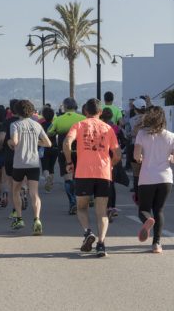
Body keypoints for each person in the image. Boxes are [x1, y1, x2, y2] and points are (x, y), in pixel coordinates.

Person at [63, 98, 121, 257]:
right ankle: (101, 245)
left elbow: (67, 143)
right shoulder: (108, 128)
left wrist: (69, 162)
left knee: (81, 207)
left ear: (85, 112)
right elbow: (117, 153)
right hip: (103, 173)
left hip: (83, 172)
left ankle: (88, 232)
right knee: (102, 212)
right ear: (100, 112)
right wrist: (111, 165)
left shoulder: (79, 125)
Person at [134, 106, 174, 253]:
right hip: (165, 179)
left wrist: (141, 158)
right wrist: (170, 157)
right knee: (159, 210)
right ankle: (156, 244)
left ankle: (147, 221)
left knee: (144, 209)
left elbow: (136, 156)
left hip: (147, 178)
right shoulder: (171, 136)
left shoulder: (142, 134)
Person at [8, 100, 51, 234]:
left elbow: (14, 141)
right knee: (34, 193)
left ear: (17, 111)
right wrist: (35, 141)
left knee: (16, 191)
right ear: (31, 110)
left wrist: (10, 142)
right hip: (34, 163)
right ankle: (37, 219)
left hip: (19, 163)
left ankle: (19, 218)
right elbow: (48, 143)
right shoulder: (37, 125)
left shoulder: (15, 124)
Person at [47, 97, 85, 215]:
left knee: (68, 177)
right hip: (80, 150)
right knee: (79, 177)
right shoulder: (82, 119)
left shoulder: (58, 119)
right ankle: (82, 200)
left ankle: (72, 202)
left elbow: (50, 132)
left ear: (64, 107)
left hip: (64, 150)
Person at [128, 98, 148, 195]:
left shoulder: (132, 120)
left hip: (136, 146)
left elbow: (129, 133)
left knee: (136, 171)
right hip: (149, 147)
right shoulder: (150, 119)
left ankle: (137, 191)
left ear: (135, 109)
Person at [40, 107, 58, 193]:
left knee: (45, 166)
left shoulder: (41, 125)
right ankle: (50, 184)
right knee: (52, 167)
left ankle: (47, 178)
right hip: (54, 147)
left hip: (44, 148)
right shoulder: (54, 124)